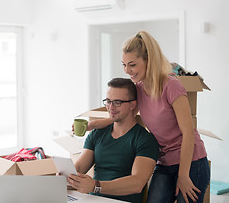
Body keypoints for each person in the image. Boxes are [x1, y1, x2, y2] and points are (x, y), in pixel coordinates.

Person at [89, 31, 210, 203]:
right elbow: (125, 113)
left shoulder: (172, 86)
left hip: (191, 161)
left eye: (132, 65)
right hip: (163, 162)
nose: (127, 70)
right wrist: (95, 124)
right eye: (123, 64)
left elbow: (189, 132)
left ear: (148, 60)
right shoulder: (138, 89)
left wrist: (183, 175)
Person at [68, 78, 159, 203]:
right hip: (92, 200)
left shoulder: (145, 140)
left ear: (132, 104)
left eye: (117, 102)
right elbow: (79, 168)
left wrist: (96, 186)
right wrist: (65, 176)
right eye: (108, 101)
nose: (110, 107)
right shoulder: (97, 134)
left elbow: (137, 183)